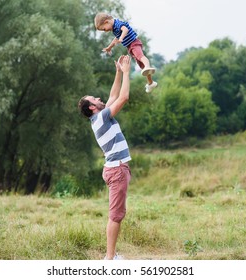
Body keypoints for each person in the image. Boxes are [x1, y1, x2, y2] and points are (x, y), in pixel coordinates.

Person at [78, 55, 132, 260]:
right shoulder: (101, 117)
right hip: (117, 170)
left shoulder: (98, 117)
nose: (99, 99)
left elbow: (113, 94)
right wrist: (127, 72)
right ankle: (109, 259)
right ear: (92, 107)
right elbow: (123, 97)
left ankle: (111, 256)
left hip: (116, 168)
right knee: (115, 216)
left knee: (116, 214)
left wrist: (118, 72)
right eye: (95, 99)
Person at [94, 12, 158, 93]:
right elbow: (115, 39)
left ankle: (147, 66)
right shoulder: (114, 28)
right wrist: (109, 47)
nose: (105, 31)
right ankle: (150, 83)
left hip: (134, 43)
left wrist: (121, 37)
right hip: (130, 46)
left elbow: (125, 29)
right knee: (141, 64)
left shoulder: (118, 24)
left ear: (106, 22)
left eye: (104, 29)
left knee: (140, 56)